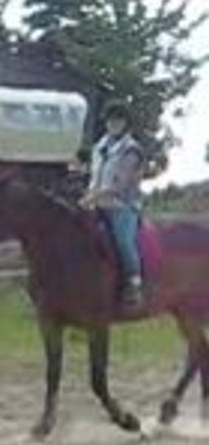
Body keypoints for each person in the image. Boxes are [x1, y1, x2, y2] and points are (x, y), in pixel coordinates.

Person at [80, 101, 146, 308]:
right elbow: (94, 177)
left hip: (121, 205)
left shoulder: (131, 149)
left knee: (122, 240)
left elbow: (119, 184)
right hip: (96, 203)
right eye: (110, 120)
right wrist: (87, 196)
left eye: (118, 120)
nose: (113, 124)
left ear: (125, 123)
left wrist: (92, 198)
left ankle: (134, 284)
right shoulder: (99, 147)